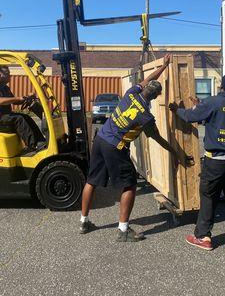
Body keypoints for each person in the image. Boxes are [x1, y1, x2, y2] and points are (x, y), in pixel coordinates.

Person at [80, 54, 177, 242]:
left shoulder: (131, 93)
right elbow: (157, 138)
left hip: (100, 138)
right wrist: (175, 152)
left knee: (91, 180)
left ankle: (84, 222)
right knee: (129, 184)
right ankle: (123, 230)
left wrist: (163, 67)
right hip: (115, 146)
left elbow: (147, 79)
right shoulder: (145, 117)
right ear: (157, 96)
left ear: (145, 89)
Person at [169, 75, 225, 251]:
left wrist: (176, 109)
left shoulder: (213, 102)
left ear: (221, 85)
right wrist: (201, 104)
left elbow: (189, 116)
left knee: (209, 196)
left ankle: (202, 236)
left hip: (216, 161)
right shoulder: (211, 103)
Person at [0, 65, 45, 153]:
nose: (10, 76)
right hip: (1, 118)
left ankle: (41, 141)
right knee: (19, 119)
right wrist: (17, 98)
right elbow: (1, 101)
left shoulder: (5, 88)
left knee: (26, 117)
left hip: (5, 116)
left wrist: (26, 98)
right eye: (7, 74)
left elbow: (15, 101)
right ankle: (33, 145)